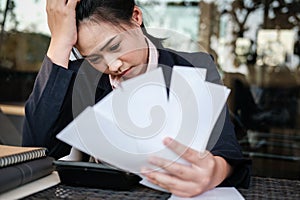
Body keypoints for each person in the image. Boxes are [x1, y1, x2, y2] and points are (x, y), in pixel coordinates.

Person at [22, 0, 251, 197]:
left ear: (136, 17)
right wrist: (58, 44)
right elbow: (35, 150)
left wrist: (215, 170)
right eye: (94, 58)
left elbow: (226, 149)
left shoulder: (193, 67)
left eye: (115, 46)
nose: (112, 65)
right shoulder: (82, 78)